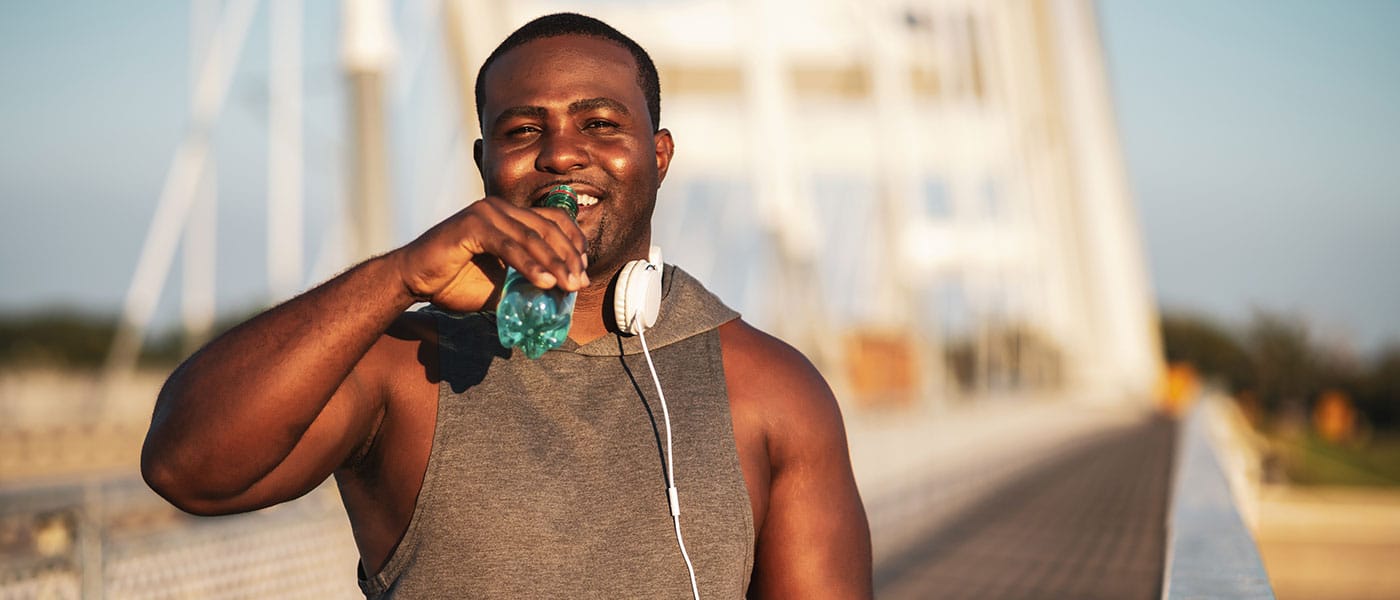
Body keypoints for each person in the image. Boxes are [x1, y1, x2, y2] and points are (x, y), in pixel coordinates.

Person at [142, 12, 871, 598]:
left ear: (659, 155)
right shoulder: (405, 365)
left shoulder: (770, 388)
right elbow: (187, 468)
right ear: (482, 162)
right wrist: (399, 276)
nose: (560, 153)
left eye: (600, 124)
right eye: (522, 131)